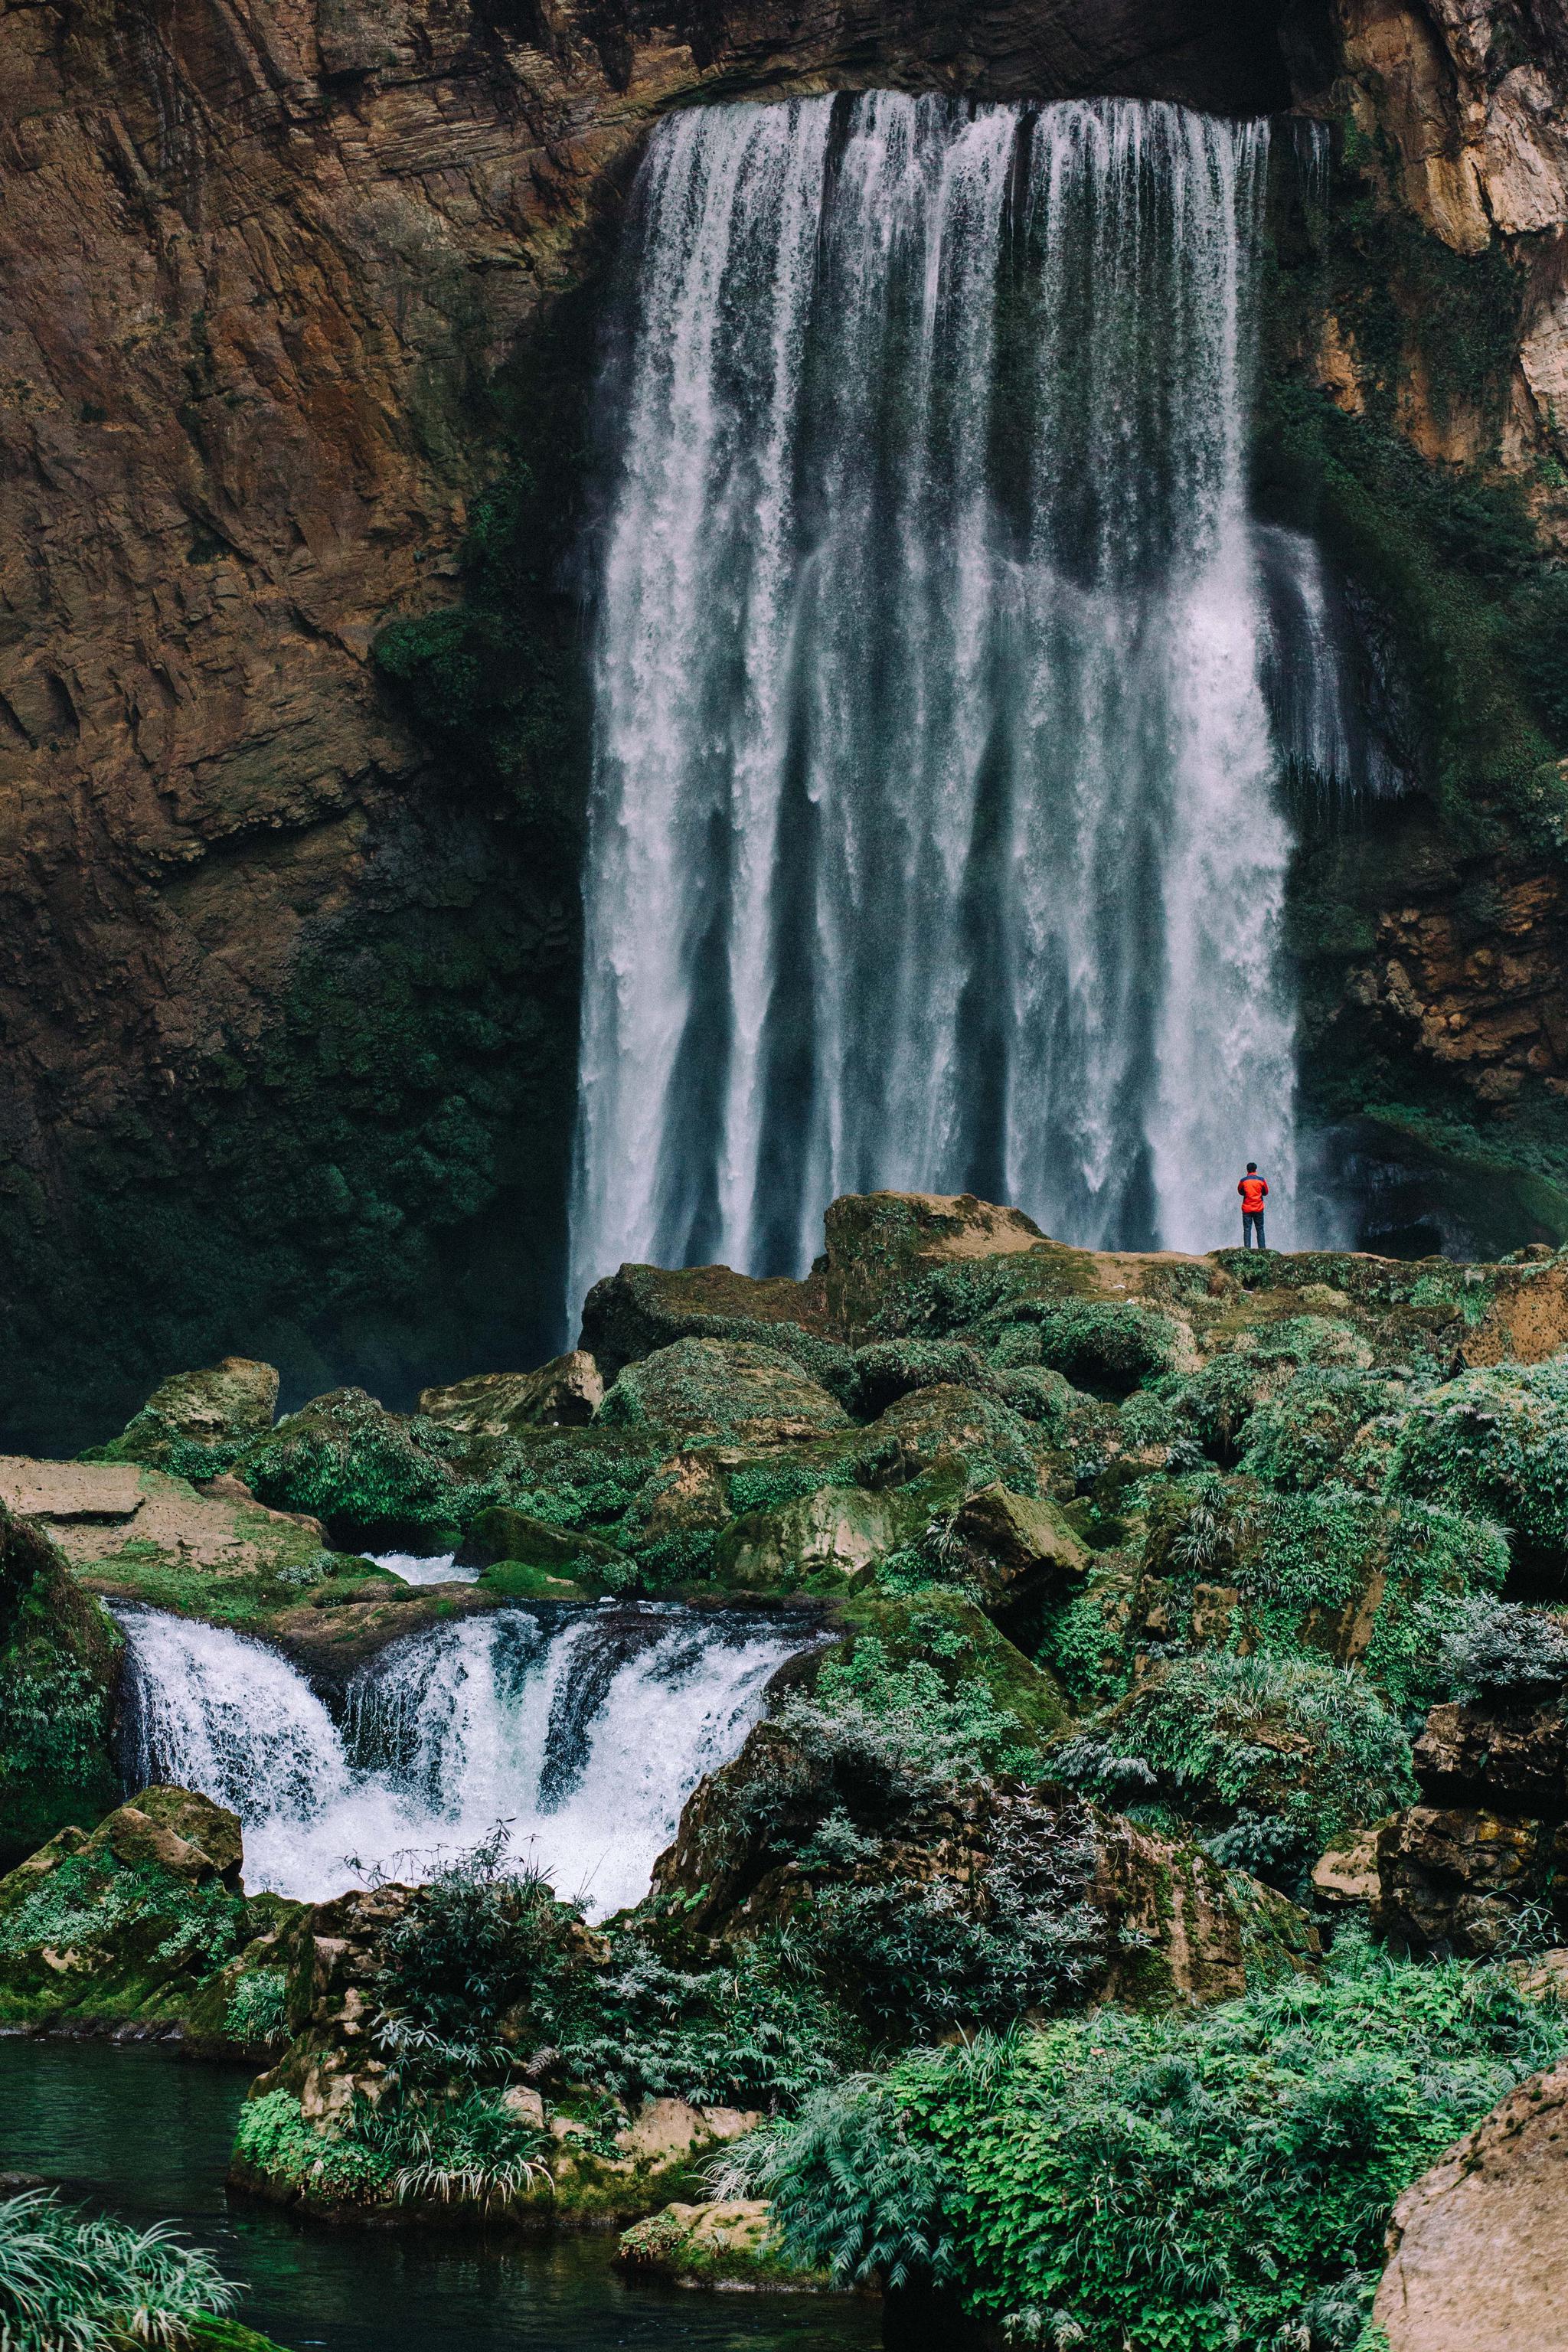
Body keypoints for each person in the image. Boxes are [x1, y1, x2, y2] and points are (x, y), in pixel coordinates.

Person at [1238, 1162, 1268, 1250]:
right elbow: (1266, 1192)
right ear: (1256, 1170)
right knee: (1260, 1229)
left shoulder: (1243, 1181)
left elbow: (1240, 1191)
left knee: (1247, 1229)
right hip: (1258, 1208)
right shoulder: (1261, 1180)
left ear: (1247, 1170)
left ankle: (1247, 1249)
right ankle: (1262, 1249)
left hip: (1247, 1209)